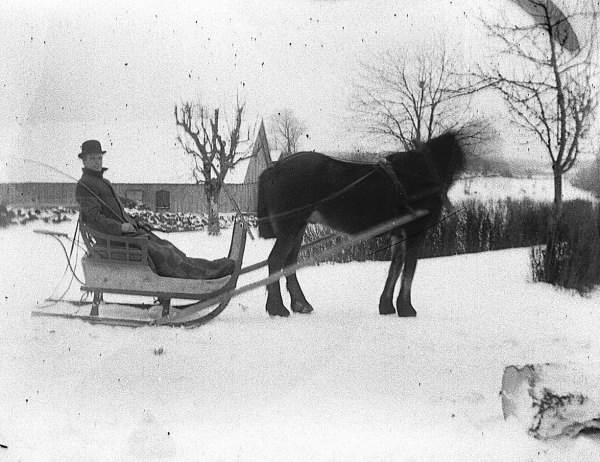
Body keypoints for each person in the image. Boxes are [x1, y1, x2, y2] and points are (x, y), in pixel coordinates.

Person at [75, 139, 235, 280]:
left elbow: (117, 212)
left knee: (169, 247)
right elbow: (93, 218)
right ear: (84, 161)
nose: (97, 162)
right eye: (92, 158)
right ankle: (205, 275)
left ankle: (210, 268)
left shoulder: (102, 182)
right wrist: (120, 227)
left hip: (128, 235)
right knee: (165, 255)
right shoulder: (85, 186)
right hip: (116, 239)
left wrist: (134, 222)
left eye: (99, 158)